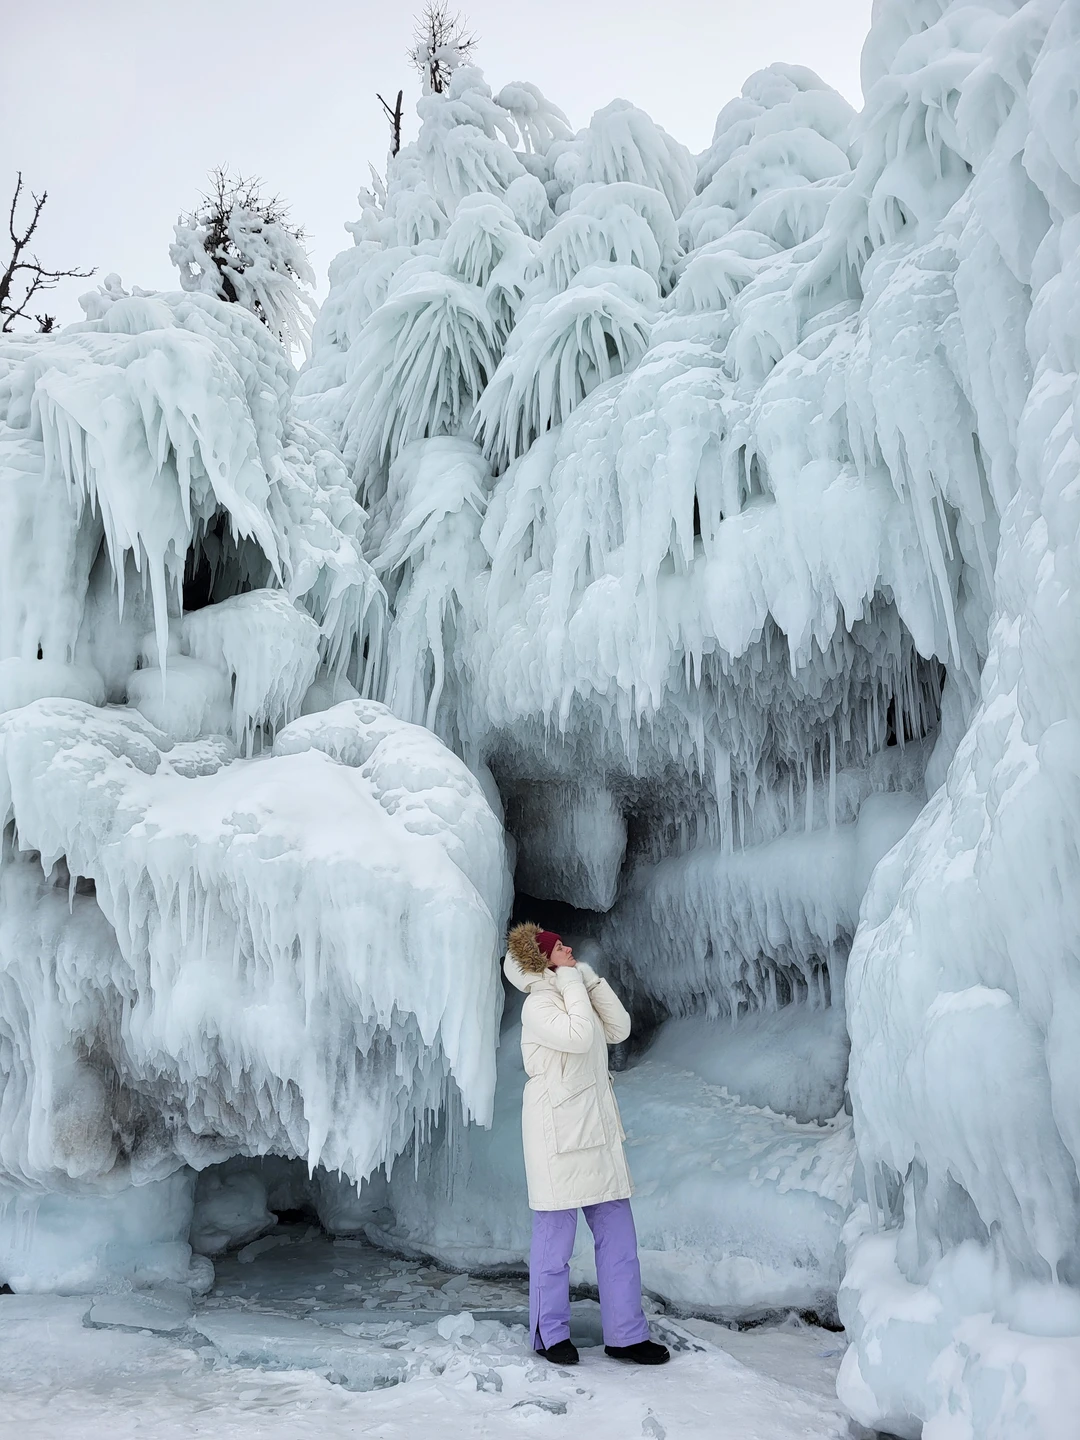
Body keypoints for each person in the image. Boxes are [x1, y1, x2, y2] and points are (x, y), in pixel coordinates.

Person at [503, 922, 670, 1367]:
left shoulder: (575, 992)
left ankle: (627, 1335)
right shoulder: (539, 1006)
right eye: (560, 946)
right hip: (556, 1139)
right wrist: (571, 980)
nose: (569, 947)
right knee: (554, 1247)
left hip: (595, 1133)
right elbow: (578, 1038)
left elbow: (618, 1028)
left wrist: (588, 978)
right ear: (543, 960)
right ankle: (548, 1334)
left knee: (619, 1241)